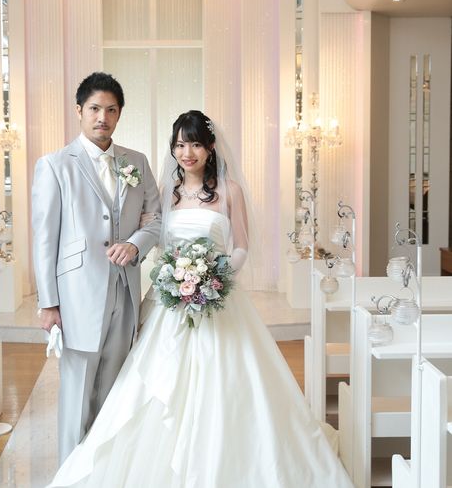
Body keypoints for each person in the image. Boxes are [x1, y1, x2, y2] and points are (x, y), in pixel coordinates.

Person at [47, 110, 353, 487]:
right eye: (179, 145)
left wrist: (215, 276)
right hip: (170, 302)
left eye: (194, 144)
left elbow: (241, 247)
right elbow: (156, 240)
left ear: (210, 147)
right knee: (152, 387)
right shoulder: (165, 191)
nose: (186, 153)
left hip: (217, 299)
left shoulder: (230, 191)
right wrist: (174, 276)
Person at [32, 72, 161, 464]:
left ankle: (104, 470)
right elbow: (44, 238)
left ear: (119, 114)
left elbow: (155, 219)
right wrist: (48, 303)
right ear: (79, 111)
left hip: (125, 292)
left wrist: (135, 245)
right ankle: (70, 474)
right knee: (77, 395)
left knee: (114, 389)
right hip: (77, 298)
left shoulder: (136, 162)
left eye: (111, 110)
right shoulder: (55, 165)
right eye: (94, 109)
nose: (102, 117)